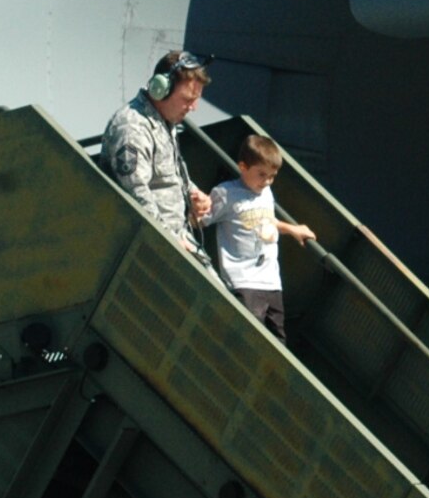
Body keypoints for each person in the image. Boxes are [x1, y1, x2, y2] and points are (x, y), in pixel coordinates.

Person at [201, 133, 315, 341]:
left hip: (271, 282)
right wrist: (198, 207)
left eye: (272, 176)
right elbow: (201, 220)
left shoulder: (266, 193)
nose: (267, 181)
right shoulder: (226, 193)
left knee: (278, 340)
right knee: (252, 339)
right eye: (262, 175)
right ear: (243, 167)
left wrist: (292, 229)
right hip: (244, 281)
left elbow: (268, 221)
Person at [102, 51, 212, 255]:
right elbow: (136, 194)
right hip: (152, 247)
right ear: (160, 90)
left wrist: (194, 195)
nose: (193, 107)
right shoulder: (132, 129)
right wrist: (171, 242)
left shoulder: (165, 122)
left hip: (178, 237)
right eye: (188, 99)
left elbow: (171, 175)